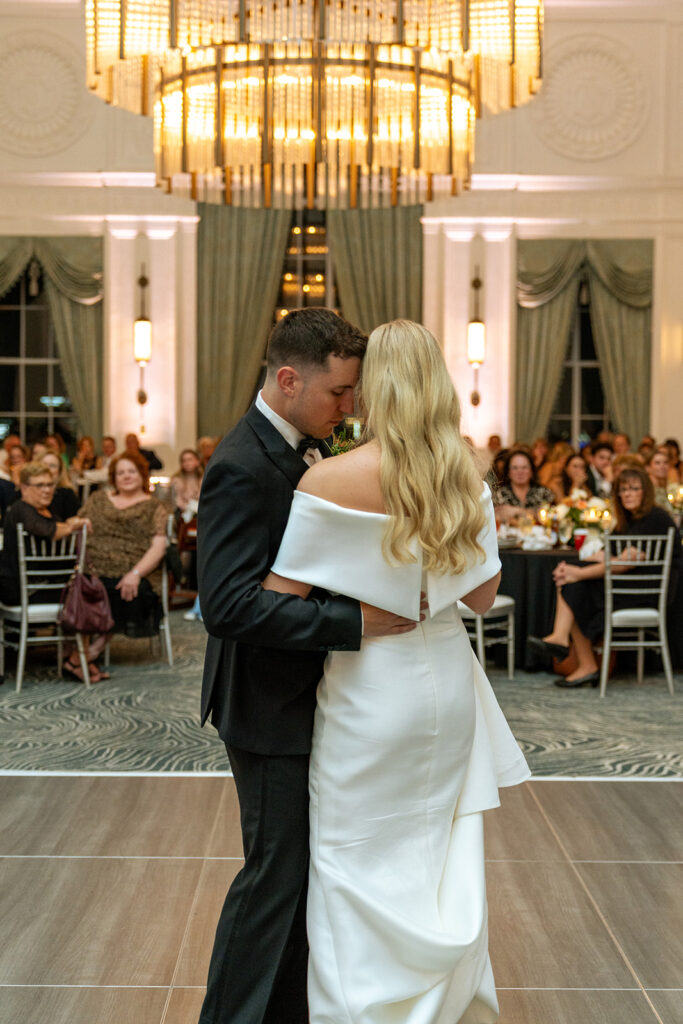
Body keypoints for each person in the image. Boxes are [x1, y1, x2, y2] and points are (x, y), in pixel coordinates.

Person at [262, 320, 529, 1023]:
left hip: (369, 681)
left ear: (374, 385)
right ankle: (438, 1003)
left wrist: (355, 591)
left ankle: (361, 1009)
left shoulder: (328, 478)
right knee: (435, 847)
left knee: (350, 854)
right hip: (444, 678)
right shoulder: (462, 475)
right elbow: (477, 596)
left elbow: (277, 601)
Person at [196, 307, 422, 1024]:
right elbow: (228, 607)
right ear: (289, 379)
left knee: (298, 878)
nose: (351, 406)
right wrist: (353, 622)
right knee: (273, 878)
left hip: (304, 697)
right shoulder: (240, 465)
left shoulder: (299, 449)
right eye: (339, 392)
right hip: (265, 706)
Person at [529, 465, 680, 688]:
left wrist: (578, 571)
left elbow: (625, 563)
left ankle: (572, 650)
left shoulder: (656, 517)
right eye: (623, 489)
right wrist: (571, 566)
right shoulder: (628, 521)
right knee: (571, 582)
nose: (627, 494)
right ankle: (573, 652)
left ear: (645, 491)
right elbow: (609, 554)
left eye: (633, 489)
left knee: (576, 582)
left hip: (645, 591)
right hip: (625, 586)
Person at [79, 452, 168, 677]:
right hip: (92, 568)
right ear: (113, 477)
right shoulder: (98, 499)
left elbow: (159, 547)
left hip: (133, 570)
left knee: (121, 591)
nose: (126, 476)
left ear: (141, 474)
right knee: (80, 589)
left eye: (131, 471)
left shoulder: (154, 507)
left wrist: (136, 573)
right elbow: (75, 522)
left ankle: (88, 654)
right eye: (120, 472)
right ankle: (78, 653)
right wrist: (82, 522)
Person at [0, 462, 89, 608]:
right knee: (87, 591)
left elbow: (56, 527)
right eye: (40, 485)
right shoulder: (20, 509)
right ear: (24, 488)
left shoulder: (47, 511)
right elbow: (50, 531)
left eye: (50, 484)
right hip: (24, 590)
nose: (47, 490)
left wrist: (70, 523)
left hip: (50, 585)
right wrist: (74, 525)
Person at [492, 447, 554, 522]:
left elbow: (550, 516)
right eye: (515, 468)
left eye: (524, 467)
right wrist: (533, 513)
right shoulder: (499, 494)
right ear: (508, 473)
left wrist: (516, 511)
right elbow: (496, 518)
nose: (520, 472)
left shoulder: (544, 493)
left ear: (531, 471)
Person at [41, 451, 79, 520]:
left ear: (59, 471)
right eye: (44, 464)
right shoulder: (30, 492)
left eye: (52, 466)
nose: (47, 469)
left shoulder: (67, 494)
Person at [171, 448, 203, 514]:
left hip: (201, 513)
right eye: (184, 461)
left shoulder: (203, 479)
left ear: (197, 461)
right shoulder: (176, 480)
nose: (187, 463)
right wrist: (189, 509)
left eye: (190, 460)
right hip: (182, 515)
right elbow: (177, 501)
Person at [647, 446, 675, 510]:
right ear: (648, 467)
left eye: (665, 462)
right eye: (657, 463)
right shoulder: (647, 489)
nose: (662, 466)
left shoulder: (671, 488)